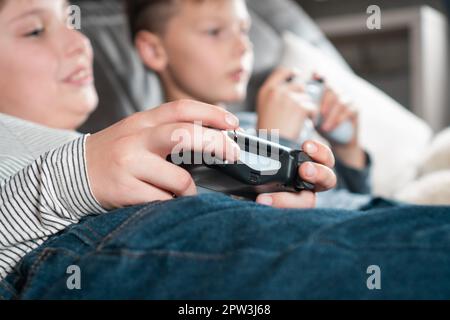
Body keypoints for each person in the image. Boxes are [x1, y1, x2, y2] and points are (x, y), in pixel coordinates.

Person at [0, 0, 336, 287]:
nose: (80, 43)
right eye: (34, 31)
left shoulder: (132, 153)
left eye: (69, 19)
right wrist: (75, 176)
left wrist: (257, 197)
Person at [126, 0, 373, 209]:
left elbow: (355, 206)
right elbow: (244, 236)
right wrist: (276, 147)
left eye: (244, 30)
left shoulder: (255, 121)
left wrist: (349, 153)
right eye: (214, 31)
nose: (243, 47)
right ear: (153, 50)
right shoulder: (164, 158)